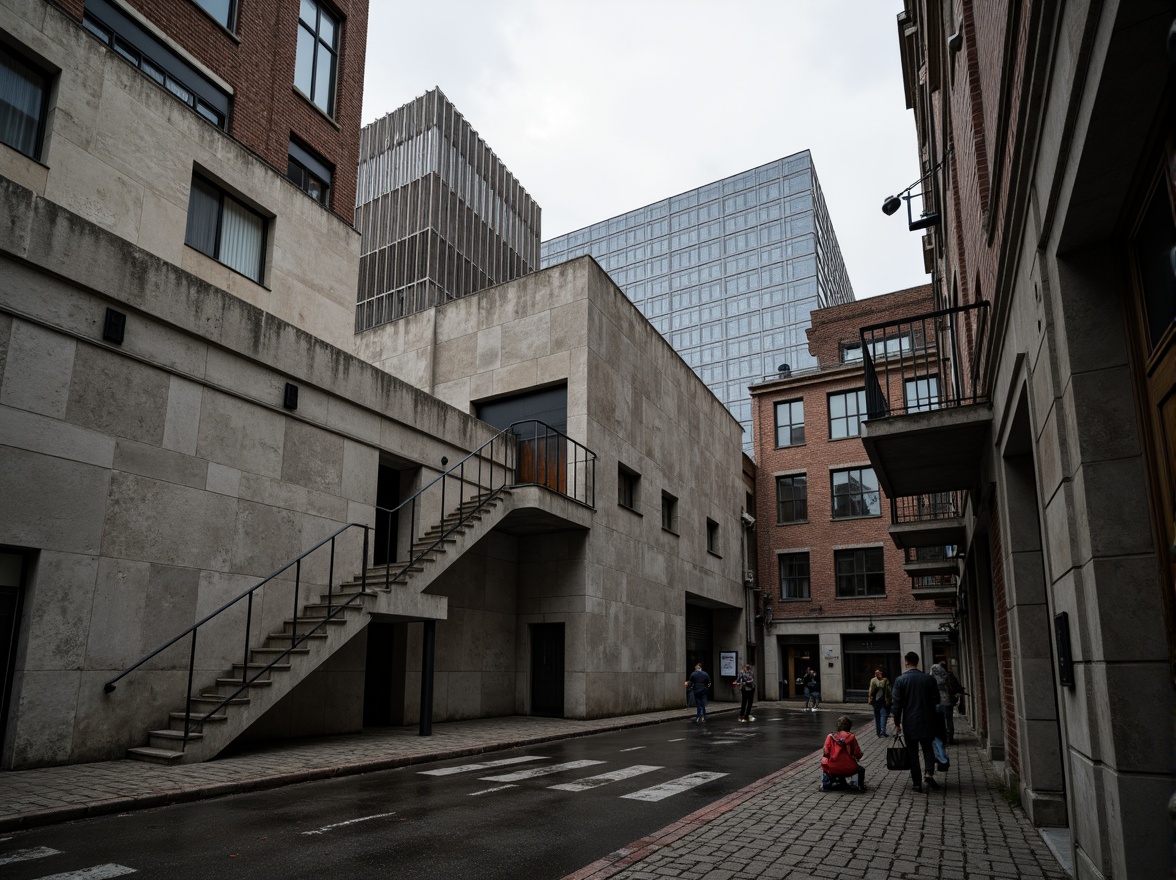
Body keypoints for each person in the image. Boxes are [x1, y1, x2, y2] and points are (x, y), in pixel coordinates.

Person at [891, 651, 946, 792]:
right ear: (918, 662)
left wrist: (897, 723)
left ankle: (916, 782)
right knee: (928, 748)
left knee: (912, 752)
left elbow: (896, 705)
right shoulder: (928, 679)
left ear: (906, 662)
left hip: (910, 721)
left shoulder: (900, 680)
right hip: (928, 719)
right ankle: (928, 773)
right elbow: (937, 700)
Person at [820, 715, 866, 791]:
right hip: (849, 768)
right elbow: (857, 754)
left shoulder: (830, 736)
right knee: (861, 770)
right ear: (849, 727)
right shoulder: (851, 737)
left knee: (826, 764)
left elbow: (826, 752)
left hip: (832, 768)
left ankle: (827, 784)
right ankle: (861, 787)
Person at [930, 660, 956, 745]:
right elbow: (954, 689)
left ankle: (939, 737)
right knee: (949, 720)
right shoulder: (948, 678)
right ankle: (950, 737)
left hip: (936, 703)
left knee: (937, 721)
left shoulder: (931, 680)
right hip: (947, 702)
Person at [867, 668, 892, 737]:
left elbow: (888, 690)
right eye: (875, 673)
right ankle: (879, 732)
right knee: (878, 716)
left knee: (883, 715)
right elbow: (871, 690)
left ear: (881, 673)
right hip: (876, 701)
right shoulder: (874, 680)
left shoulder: (885, 680)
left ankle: (882, 731)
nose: (876, 674)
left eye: (878, 672)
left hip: (883, 701)